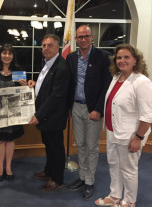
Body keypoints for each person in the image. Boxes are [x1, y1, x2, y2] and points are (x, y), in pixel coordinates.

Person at [95, 44, 152, 207]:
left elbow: (147, 115)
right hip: (113, 130)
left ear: (135, 60)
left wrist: (138, 137)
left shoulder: (142, 82)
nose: (122, 60)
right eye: (119, 58)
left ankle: (129, 201)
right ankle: (115, 196)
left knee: (128, 169)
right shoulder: (117, 77)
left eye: (126, 57)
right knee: (114, 164)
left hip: (130, 135)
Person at [66, 25, 112, 200]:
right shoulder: (71, 58)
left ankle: (89, 182)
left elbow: (105, 86)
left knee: (92, 147)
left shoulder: (103, 57)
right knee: (80, 144)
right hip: (76, 107)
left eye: (86, 36)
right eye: (80, 37)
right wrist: (68, 107)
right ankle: (82, 177)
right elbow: (69, 83)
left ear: (92, 37)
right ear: (76, 39)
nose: (83, 39)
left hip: (93, 109)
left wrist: (98, 109)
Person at [28, 34, 70, 192]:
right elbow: (46, 87)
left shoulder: (61, 67)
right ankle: (49, 171)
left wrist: (38, 115)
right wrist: (35, 84)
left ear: (57, 47)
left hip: (53, 117)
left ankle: (57, 179)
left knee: (56, 148)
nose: (46, 48)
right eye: (44, 45)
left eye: (50, 45)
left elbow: (56, 97)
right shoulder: (47, 63)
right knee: (48, 146)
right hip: (46, 116)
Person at [0, 44, 27, 182]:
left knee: (10, 140)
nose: (7, 56)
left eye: (10, 53)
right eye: (4, 53)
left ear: (13, 56)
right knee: (0, 140)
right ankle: (0, 168)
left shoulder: (18, 70)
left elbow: (24, 93)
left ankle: (8, 167)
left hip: (14, 112)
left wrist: (26, 86)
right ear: (0, 55)